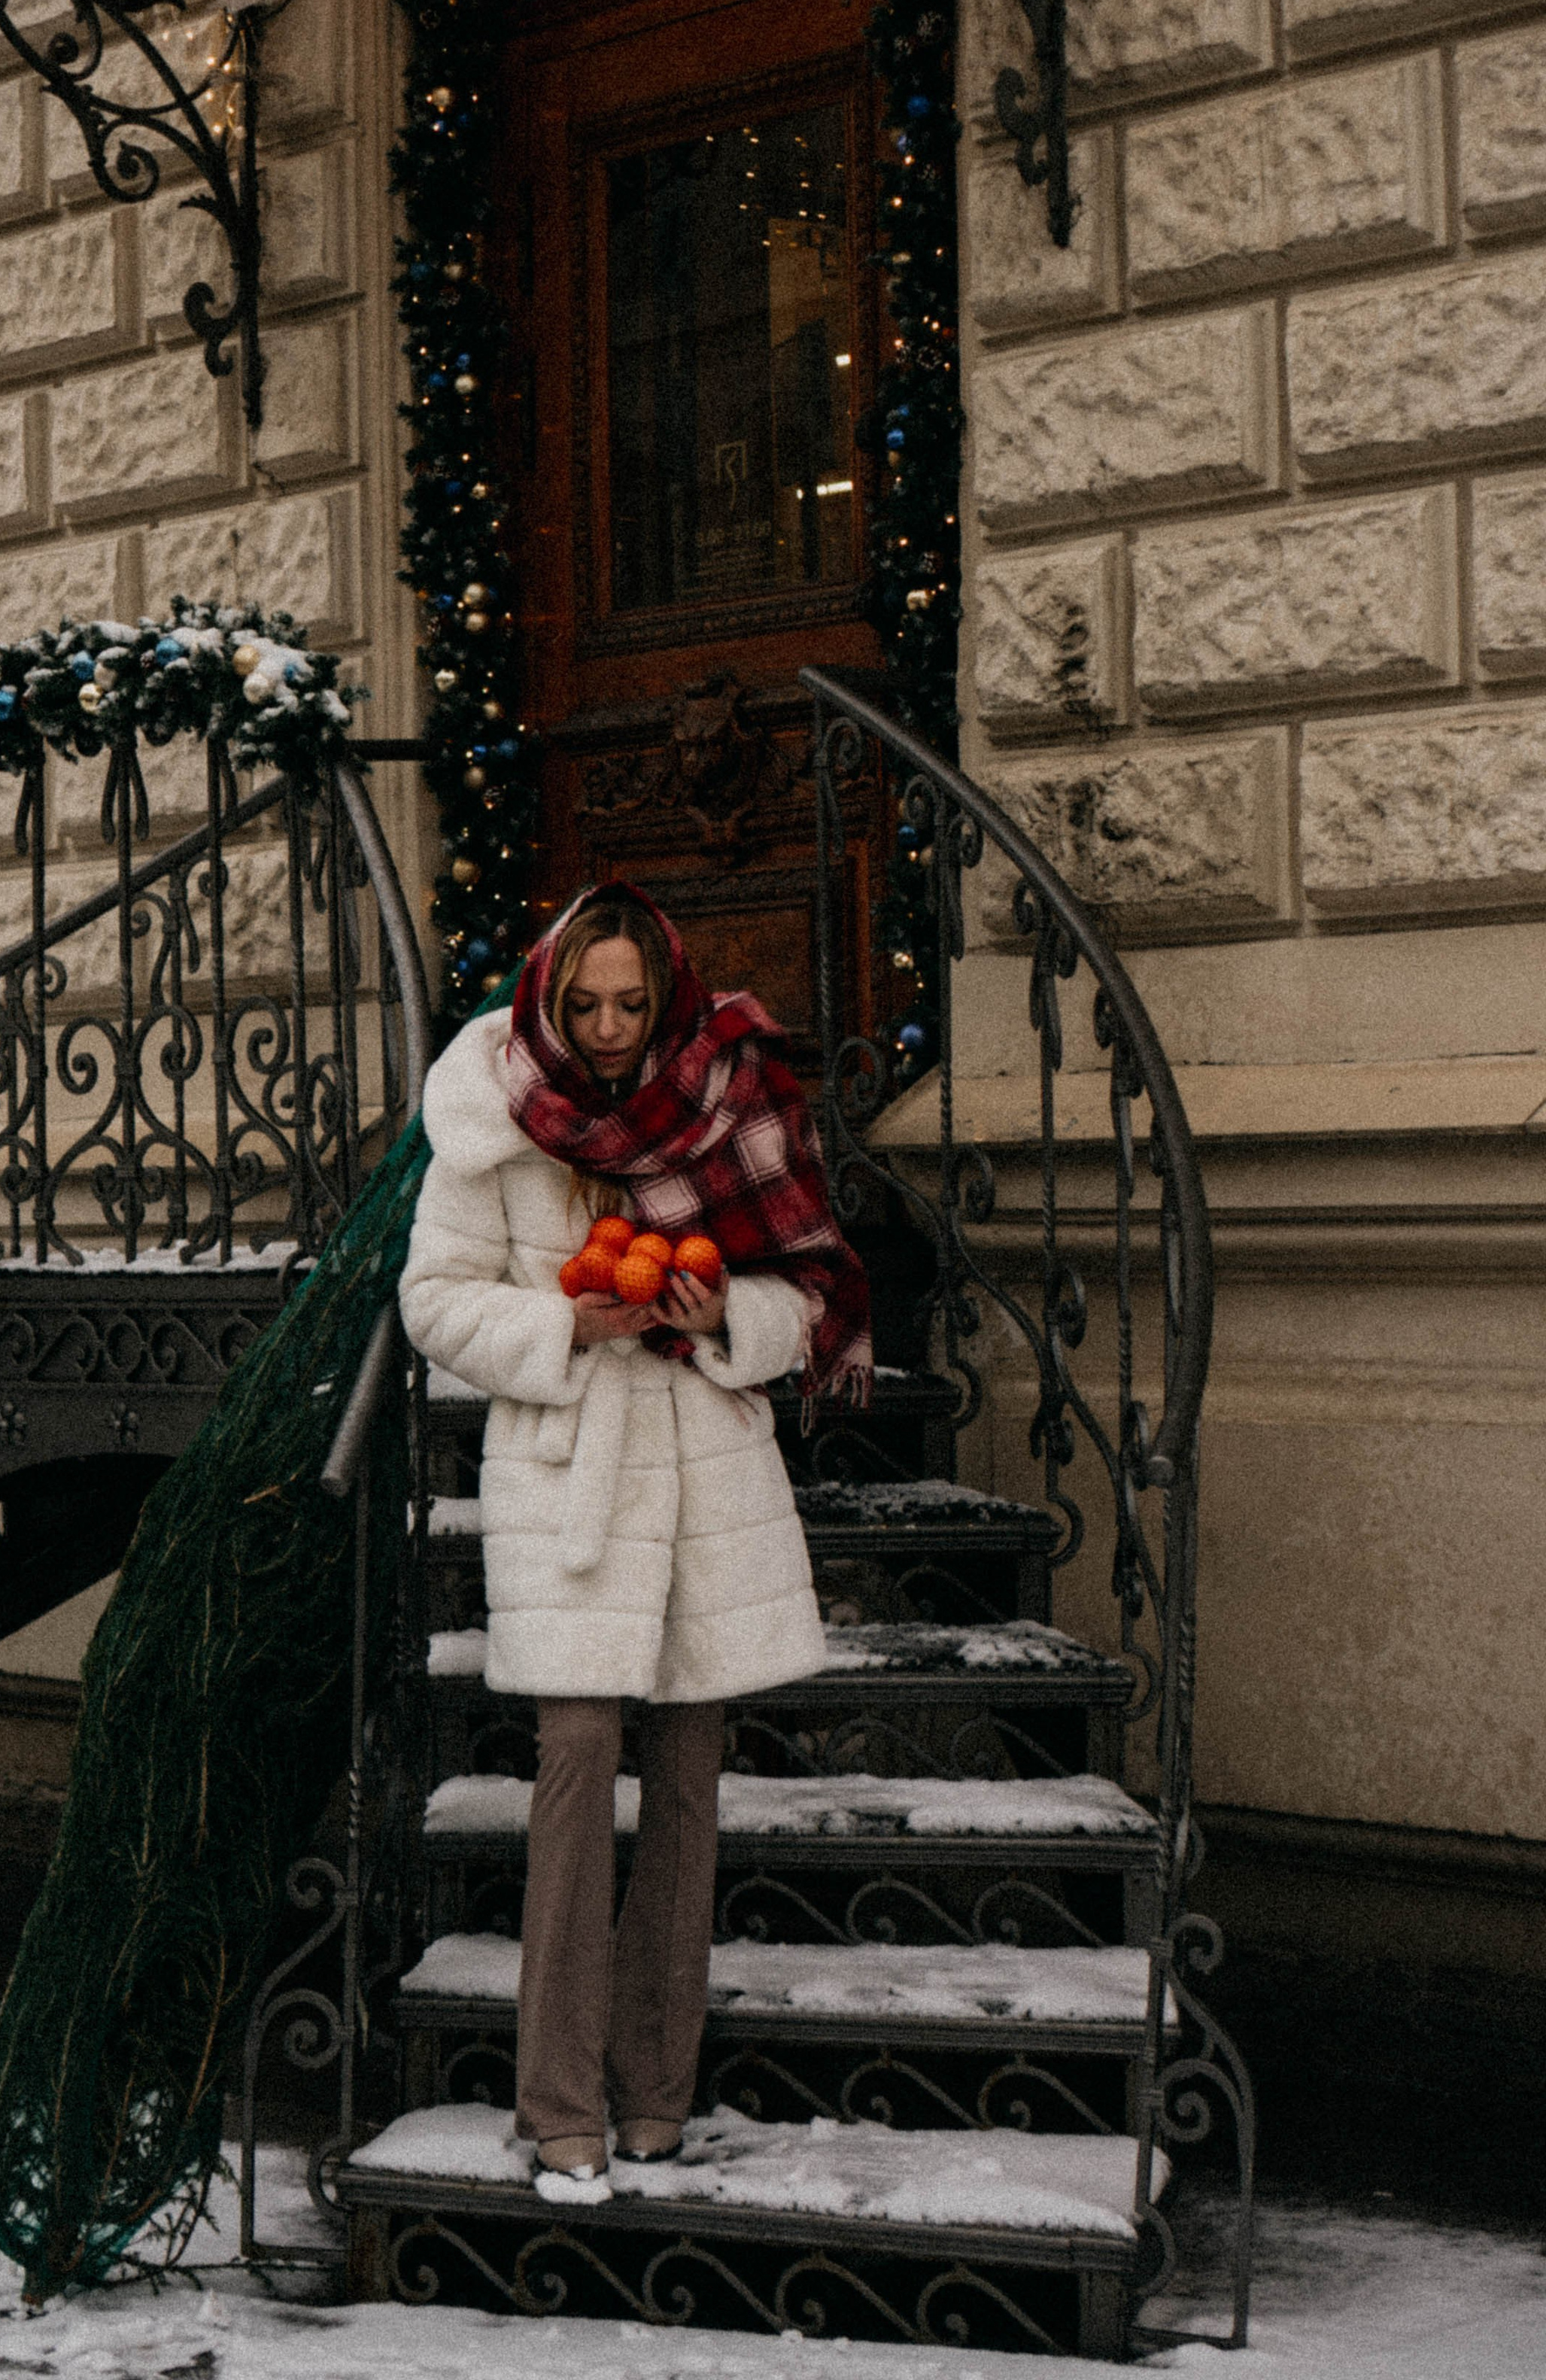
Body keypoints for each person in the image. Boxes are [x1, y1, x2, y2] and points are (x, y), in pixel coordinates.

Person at [399, 883, 872, 2202]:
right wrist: (568, 1333)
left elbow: (807, 1285)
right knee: (574, 1766)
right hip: (574, 1478)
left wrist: (729, 1315)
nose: (608, 1030)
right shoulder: (491, 1115)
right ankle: (560, 2107)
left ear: (662, 994)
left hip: (709, 1469)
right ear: (549, 995)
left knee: (689, 1784)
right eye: (584, 1003)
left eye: (629, 1003)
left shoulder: (731, 1102)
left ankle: (658, 2094)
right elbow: (433, 1299)